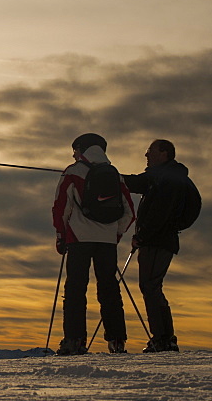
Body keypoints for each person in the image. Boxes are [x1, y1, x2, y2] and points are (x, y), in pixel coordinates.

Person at [52, 133, 135, 355]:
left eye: (75, 149)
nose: (73, 154)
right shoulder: (115, 175)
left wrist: (61, 236)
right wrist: (114, 234)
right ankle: (117, 341)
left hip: (78, 239)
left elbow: (61, 207)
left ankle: (74, 340)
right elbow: (129, 213)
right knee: (109, 288)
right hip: (107, 241)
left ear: (82, 150)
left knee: (76, 289)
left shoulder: (73, 171)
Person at [122, 139, 191, 352]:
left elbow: (159, 213)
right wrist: (111, 177)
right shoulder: (166, 177)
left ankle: (162, 338)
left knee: (150, 286)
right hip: (162, 240)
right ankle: (165, 338)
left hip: (157, 241)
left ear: (164, 153)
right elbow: (135, 183)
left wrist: (142, 236)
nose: (146, 155)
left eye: (150, 151)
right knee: (152, 286)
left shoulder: (166, 178)